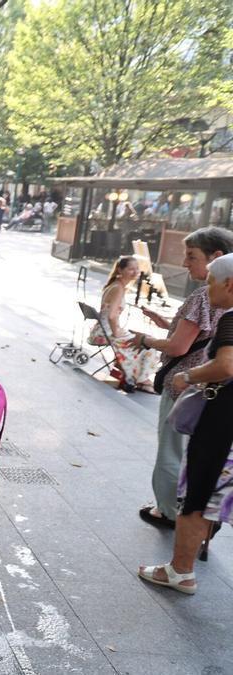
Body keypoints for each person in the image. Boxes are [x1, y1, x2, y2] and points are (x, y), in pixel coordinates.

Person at [139, 252, 233, 594]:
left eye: (211, 282)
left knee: (198, 497)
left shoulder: (231, 319)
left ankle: (180, 571)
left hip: (221, 425)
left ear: (230, 284)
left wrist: (188, 376)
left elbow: (227, 365)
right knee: (215, 498)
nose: (207, 289)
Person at [93, 257, 158, 391]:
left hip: (103, 329)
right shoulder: (118, 288)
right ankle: (141, 379)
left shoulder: (117, 285)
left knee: (145, 338)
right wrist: (117, 332)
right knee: (148, 344)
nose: (135, 272)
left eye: (137, 269)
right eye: (131, 269)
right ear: (120, 270)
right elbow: (111, 316)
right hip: (106, 332)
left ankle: (136, 375)